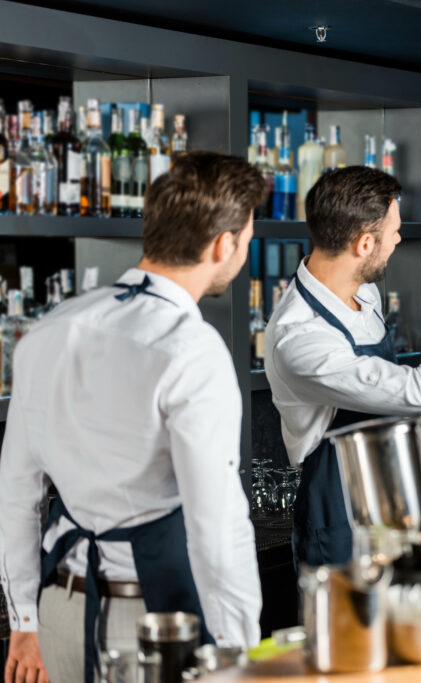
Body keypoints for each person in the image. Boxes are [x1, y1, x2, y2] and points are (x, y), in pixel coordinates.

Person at [0, 153, 265, 683]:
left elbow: (16, 492)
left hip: (58, 615)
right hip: (151, 625)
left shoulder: (52, 327)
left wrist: (24, 619)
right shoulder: (191, 348)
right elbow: (216, 524)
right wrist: (239, 650)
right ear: (224, 245)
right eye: (248, 240)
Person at [264, 166, 421, 569]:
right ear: (363, 243)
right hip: (342, 516)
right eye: (394, 230)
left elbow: (386, 393)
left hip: (394, 495)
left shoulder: (363, 291)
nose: (398, 238)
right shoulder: (301, 338)